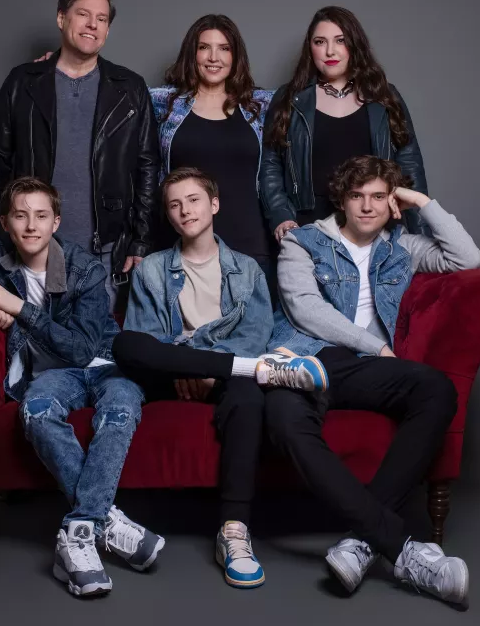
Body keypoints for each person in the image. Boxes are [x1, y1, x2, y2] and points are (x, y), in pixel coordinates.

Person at [0, 177, 164, 598]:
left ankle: (78, 534)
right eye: (21, 216)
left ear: (55, 222)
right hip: (51, 375)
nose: (31, 226)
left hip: (104, 365)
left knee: (120, 410)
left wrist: (19, 309)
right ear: (5, 222)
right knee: (37, 411)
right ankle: (104, 522)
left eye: (41, 216)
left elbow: (82, 350)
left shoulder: (84, 267)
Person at [264, 155, 480, 604]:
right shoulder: (302, 242)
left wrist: (420, 200)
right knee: (283, 417)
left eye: (379, 196)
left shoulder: (403, 247)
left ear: (392, 202)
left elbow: (468, 258)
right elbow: (305, 308)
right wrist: (375, 346)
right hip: (307, 359)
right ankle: (400, 550)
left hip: (366, 369)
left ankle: (360, 541)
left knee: (436, 389)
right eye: (357, 196)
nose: (367, 206)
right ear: (341, 201)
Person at [111, 167, 329, 589]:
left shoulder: (247, 269)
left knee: (249, 397)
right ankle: (249, 372)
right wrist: (192, 366)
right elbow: (146, 340)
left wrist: (205, 366)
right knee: (126, 344)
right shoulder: (151, 269)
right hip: (170, 376)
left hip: (230, 375)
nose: (184, 211)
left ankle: (233, 530)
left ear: (214, 204)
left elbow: (254, 337)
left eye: (193, 200)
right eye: (174, 205)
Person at [0, 0, 160, 313]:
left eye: (101, 19)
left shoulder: (129, 88)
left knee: (93, 341)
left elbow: (147, 165)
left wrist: (141, 240)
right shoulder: (23, 81)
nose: (92, 25)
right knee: (25, 336)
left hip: (104, 249)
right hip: (29, 244)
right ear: (62, 19)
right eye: (83, 14)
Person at [260, 6, 429, 244]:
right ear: (310, 48)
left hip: (374, 225)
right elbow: (270, 166)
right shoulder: (290, 98)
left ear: (354, 45)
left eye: (340, 40)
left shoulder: (384, 97)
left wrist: (419, 232)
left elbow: (410, 165)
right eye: (320, 42)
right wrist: (281, 216)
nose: (330, 50)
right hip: (309, 227)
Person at [148, 15, 277, 296]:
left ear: (236, 55)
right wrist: (58, 63)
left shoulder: (262, 105)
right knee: (181, 323)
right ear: (191, 53)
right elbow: (110, 94)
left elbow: (316, 96)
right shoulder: (161, 102)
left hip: (250, 243)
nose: (213, 57)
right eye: (204, 47)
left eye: (224, 48)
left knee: (252, 323)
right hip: (179, 244)